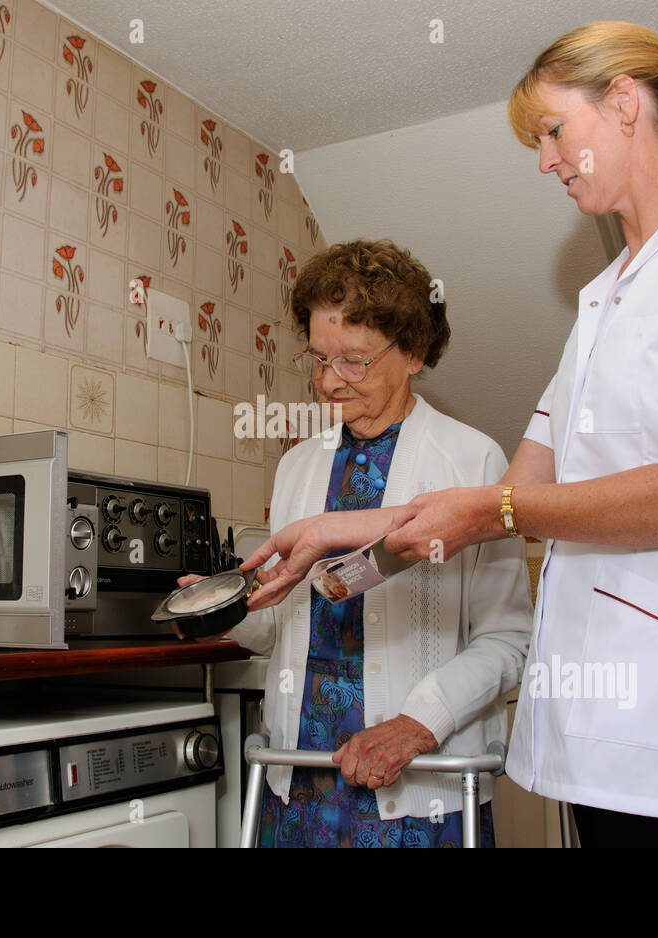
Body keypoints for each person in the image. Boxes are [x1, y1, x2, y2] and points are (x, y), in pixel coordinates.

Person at [244, 22, 658, 848]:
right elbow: (511, 493)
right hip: (589, 737)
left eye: (553, 131)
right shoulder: (601, 302)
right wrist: (323, 532)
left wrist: (492, 514)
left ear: (624, 103)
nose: (545, 160)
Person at [193, 238, 532, 848]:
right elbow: (285, 625)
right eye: (319, 359)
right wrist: (221, 612)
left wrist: (415, 725)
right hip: (298, 785)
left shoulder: (471, 459)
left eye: (353, 360)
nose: (328, 383)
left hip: (417, 787)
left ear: (414, 352)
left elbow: (507, 640)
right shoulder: (298, 466)